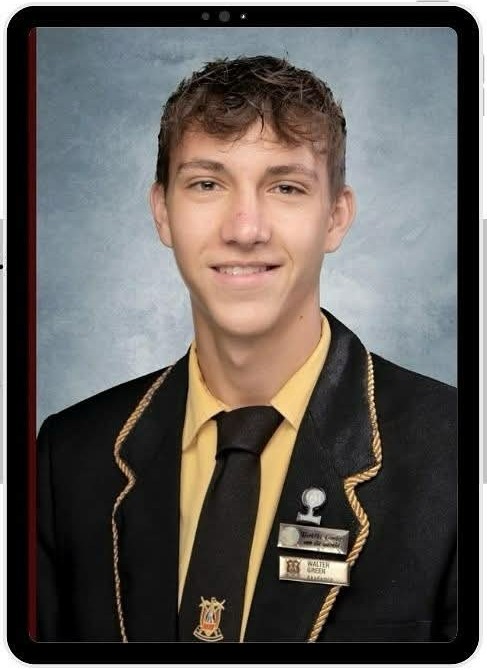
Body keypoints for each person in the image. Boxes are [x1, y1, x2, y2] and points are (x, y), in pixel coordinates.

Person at [36, 55, 456, 643]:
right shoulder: (69, 456)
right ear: (162, 211)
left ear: (336, 217)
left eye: (286, 187)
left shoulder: (457, 452)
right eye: (207, 184)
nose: (244, 228)